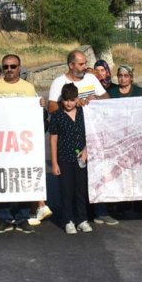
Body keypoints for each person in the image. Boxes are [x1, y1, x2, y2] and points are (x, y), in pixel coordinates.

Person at [0, 54, 40, 232]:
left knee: (22, 179)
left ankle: (23, 217)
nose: (9, 70)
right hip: (0, 143)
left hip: (22, 143)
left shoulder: (28, 88)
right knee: (2, 180)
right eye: (6, 67)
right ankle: (5, 218)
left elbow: (34, 114)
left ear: (19, 67)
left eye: (13, 66)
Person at [49, 83, 90, 234]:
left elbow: (90, 135)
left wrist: (86, 151)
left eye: (72, 100)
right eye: (66, 100)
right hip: (64, 158)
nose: (68, 103)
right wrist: (54, 163)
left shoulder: (83, 114)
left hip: (81, 158)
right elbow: (53, 139)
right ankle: (68, 220)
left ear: (77, 99)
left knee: (81, 190)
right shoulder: (57, 116)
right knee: (67, 191)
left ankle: (82, 219)